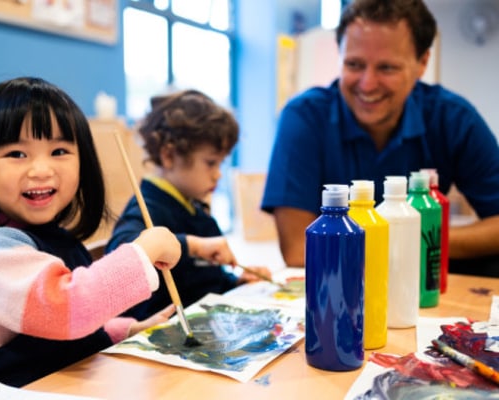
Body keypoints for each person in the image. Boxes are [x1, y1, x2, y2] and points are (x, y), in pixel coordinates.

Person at [0, 77, 182, 400]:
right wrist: (142, 251)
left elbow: (57, 334)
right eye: (16, 153)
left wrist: (123, 329)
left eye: (59, 151)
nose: (41, 169)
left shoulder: (55, 239)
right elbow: (66, 310)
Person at [261, 0, 499, 276]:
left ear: (422, 63)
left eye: (386, 68)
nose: (367, 84)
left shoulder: (453, 118)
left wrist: (407, 237)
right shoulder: (304, 117)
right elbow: (297, 249)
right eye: (354, 64)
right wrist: (410, 240)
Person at [106, 89, 272, 320]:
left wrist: (234, 282)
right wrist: (191, 245)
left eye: (220, 163)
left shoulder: (194, 208)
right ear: (169, 155)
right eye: (210, 163)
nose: (218, 175)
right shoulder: (147, 208)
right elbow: (120, 254)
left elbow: (203, 280)